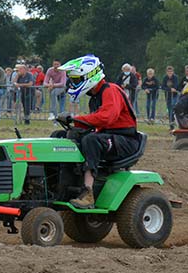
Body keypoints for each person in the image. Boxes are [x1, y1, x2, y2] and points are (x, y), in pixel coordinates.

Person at [55, 54, 142, 209]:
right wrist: (73, 125)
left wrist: (78, 119)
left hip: (125, 139)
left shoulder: (110, 90)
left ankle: (88, 193)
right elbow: (93, 124)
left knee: (91, 140)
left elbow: (107, 117)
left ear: (89, 77)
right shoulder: (94, 98)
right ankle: (60, 184)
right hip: (109, 136)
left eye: (76, 80)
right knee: (60, 137)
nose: (73, 84)